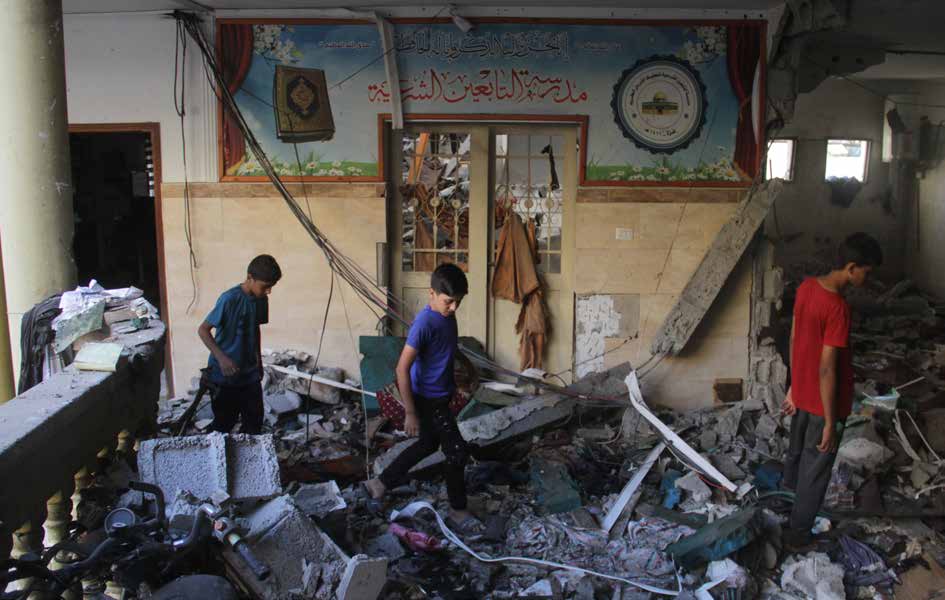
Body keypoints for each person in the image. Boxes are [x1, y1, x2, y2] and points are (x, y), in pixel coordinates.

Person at [781, 232, 883, 548]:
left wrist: (792, 388)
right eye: (867, 272)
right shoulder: (838, 307)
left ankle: (785, 512)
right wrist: (829, 421)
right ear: (851, 267)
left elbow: (795, 339)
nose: (868, 278)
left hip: (801, 397)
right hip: (824, 406)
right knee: (816, 473)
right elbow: (827, 367)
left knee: (796, 460)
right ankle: (798, 536)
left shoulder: (806, 287)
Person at [363, 263, 481, 535]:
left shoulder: (447, 317)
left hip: (441, 394)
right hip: (428, 399)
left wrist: (468, 366)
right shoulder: (424, 323)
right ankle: (457, 509)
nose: (453, 308)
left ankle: (379, 484)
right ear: (431, 293)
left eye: (458, 302)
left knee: (428, 444)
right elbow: (402, 368)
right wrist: (411, 413)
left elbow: (449, 346)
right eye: (449, 301)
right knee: (457, 452)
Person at [198, 254, 282, 435]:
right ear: (249, 278)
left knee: (253, 425)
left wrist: (258, 362)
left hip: (249, 375)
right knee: (224, 425)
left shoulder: (261, 300)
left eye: (271, 287)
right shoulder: (229, 299)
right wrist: (222, 359)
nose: (269, 292)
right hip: (224, 376)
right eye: (265, 287)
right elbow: (203, 330)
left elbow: (255, 331)